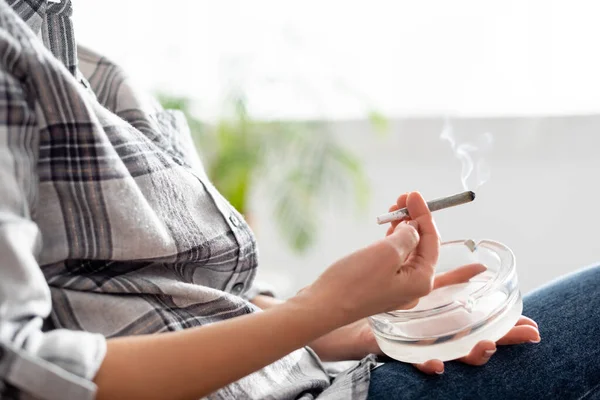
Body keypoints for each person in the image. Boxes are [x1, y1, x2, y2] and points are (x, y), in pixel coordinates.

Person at [0, 1, 597, 399]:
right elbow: (26, 374)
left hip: (319, 374)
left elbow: (182, 298)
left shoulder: (86, 61)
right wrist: (316, 311)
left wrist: (363, 327)